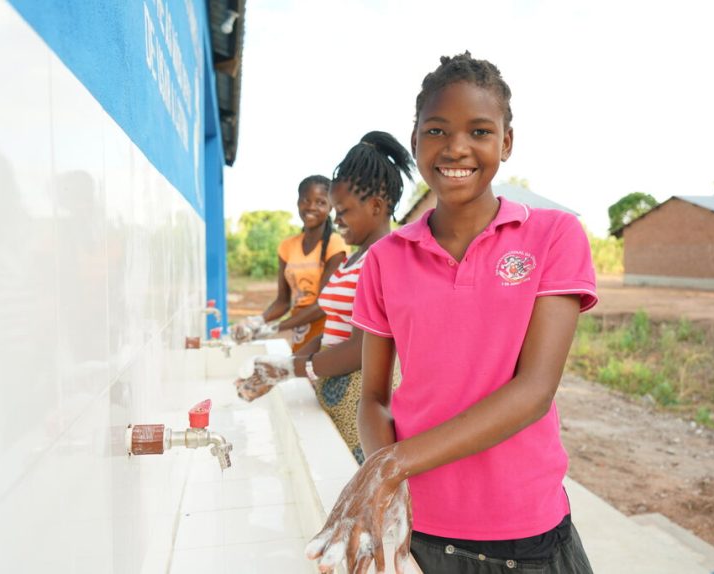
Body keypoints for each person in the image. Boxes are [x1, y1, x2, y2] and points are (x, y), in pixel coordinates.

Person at [306, 52, 598, 574]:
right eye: (437, 130)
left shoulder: (553, 236)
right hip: (424, 532)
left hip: (526, 533)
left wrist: (392, 464)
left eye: (479, 131)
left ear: (506, 142)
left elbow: (534, 391)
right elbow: (374, 398)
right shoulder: (387, 260)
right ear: (416, 138)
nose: (456, 147)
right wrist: (383, 477)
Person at [235, 131, 413, 464]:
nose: (337, 220)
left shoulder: (387, 258)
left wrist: (291, 368)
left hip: (364, 406)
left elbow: (362, 350)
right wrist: (284, 367)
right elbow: (333, 332)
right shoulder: (353, 259)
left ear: (376, 206)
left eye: (343, 210)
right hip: (337, 396)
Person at [233, 175, 347, 353]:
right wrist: (258, 321)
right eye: (305, 200)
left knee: (316, 376)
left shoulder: (336, 245)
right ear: (298, 202)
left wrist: (275, 328)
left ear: (330, 206)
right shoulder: (287, 246)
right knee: (300, 376)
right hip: (300, 329)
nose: (311, 207)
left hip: (327, 331)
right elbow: (283, 301)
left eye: (320, 202)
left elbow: (324, 304)